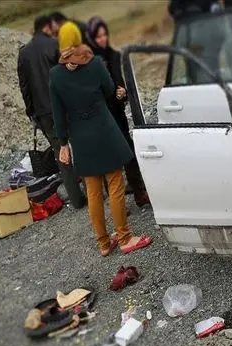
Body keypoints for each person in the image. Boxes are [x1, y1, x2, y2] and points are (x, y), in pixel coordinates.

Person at [49, 22, 153, 256]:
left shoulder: (55, 75)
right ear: (79, 39)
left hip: (80, 137)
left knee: (93, 191)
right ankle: (125, 237)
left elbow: (57, 113)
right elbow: (108, 91)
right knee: (115, 184)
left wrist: (64, 143)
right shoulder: (94, 63)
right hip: (104, 130)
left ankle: (104, 243)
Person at [17, 15, 86, 209]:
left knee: (60, 153)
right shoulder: (54, 46)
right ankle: (94, 191)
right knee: (79, 146)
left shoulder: (23, 53)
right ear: (48, 28)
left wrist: (31, 112)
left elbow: (24, 87)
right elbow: (69, 73)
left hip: (42, 112)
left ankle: (76, 199)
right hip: (64, 106)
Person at [86, 16, 151, 207]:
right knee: (110, 159)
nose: (103, 39)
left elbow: (119, 78)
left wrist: (121, 89)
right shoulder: (89, 62)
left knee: (129, 153)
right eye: (98, 37)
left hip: (117, 112)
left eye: (105, 35)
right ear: (91, 38)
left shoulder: (113, 55)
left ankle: (139, 192)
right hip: (102, 115)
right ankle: (118, 203)